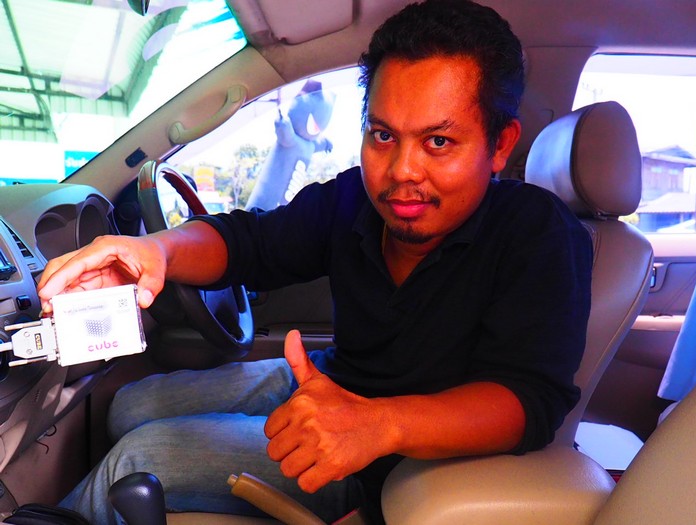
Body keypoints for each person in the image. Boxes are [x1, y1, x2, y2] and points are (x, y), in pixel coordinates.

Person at [37, 0, 593, 523]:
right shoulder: (354, 200)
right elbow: (251, 242)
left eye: (439, 143)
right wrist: (155, 251)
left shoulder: (538, 234)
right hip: (328, 381)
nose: (402, 171)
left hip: (388, 458)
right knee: (128, 405)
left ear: (500, 145)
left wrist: (378, 424)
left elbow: (528, 400)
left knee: (137, 456)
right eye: (383, 135)